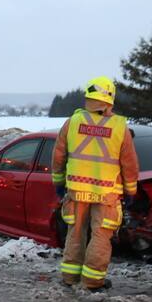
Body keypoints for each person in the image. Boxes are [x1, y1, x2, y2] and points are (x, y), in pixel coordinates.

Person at [51, 76, 139, 291]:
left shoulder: (73, 122)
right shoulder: (119, 126)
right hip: (106, 192)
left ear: (89, 97)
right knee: (101, 235)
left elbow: (58, 156)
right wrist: (131, 191)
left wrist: (59, 182)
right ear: (110, 99)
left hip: (76, 190)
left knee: (75, 232)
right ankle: (92, 281)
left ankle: (70, 277)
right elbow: (129, 163)